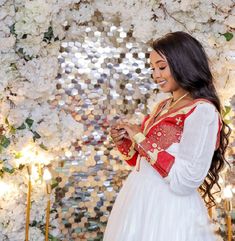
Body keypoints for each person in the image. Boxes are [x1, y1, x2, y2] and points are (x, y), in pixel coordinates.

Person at [103, 31, 231, 241]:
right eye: (153, 68)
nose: (156, 75)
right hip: (138, 203)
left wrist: (140, 139)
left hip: (170, 211)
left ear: (184, 63)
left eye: (161, 67)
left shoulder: (201, 111)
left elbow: (185, 180)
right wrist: (126, 141)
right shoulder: (162, 106)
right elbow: (142, 163)